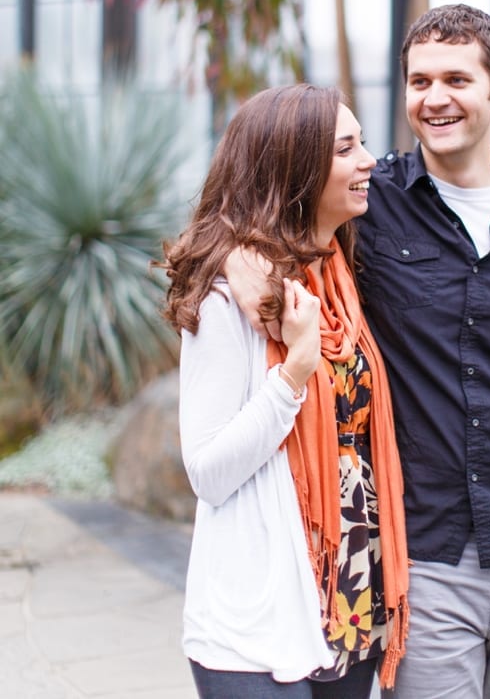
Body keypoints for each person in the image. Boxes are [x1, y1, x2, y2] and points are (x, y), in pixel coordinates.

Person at [228, 4, 490, 699]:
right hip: (423, 555)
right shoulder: (371, 205)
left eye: (456, 79)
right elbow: (268, 221)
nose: (434, 98)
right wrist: (237, 266)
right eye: (418, 80)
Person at [160, 84, 409, 699]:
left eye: (364, 143)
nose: (369, 160)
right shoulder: (231, 297)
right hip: (259, 615)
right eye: (347, 148)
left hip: (349, 596)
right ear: (295, 168)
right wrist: (294, 371)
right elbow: (210, 471)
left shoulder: (337, 271)